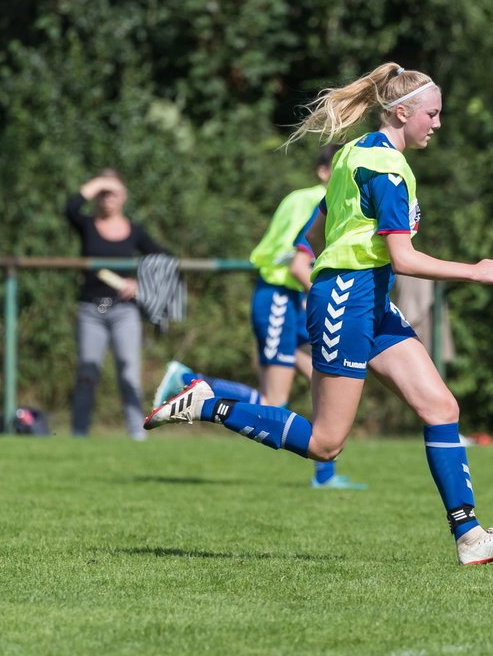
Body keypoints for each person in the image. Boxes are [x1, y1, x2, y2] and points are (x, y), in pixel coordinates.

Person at [146, 62, 493, 566]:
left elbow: (313, 233)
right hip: (349, 300)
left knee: (441, 408)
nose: (437, 125)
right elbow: (404, 259)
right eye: (432, 115)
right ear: (401, 112)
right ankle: (208, 403)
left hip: (366, 296)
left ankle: (470, 537)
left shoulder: (354, 152)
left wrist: (331, 263)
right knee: (326, 444)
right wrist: (474, 270)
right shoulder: (390, 170)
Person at [152, 145, 367, 488]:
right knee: (275, 400)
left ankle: (325, 474)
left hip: (292, 298)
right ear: (324, 172)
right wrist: (321, 297)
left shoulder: (305, 198)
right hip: (282, 295)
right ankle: (190, 381)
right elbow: (298, 259)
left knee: (323, 383)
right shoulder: (316, 199)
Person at [66, 170, 167, 438]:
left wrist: (139, 284)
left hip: (125, 311)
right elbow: (70, 207)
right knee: (87, 374)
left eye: (113, 192)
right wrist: (100, 182)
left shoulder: (134, 231)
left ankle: (137, 435)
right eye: (103, 193)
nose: (107, 198)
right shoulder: (87, 225)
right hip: (91, 310)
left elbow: (163, 259)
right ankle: (79, 435)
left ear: (124, 196)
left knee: (129, 375)